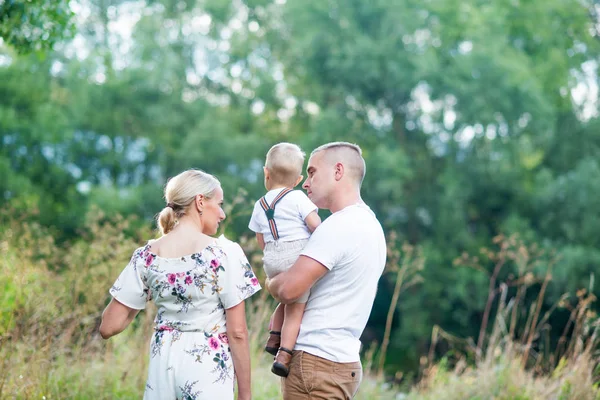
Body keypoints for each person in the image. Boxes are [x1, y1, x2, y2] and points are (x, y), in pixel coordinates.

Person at [99, 169, 261, 400]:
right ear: (200, 201)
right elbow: (237, 332)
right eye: (220, 203)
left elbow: (109, 327)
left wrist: (153, 290)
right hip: (206, 367)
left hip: (163, 364)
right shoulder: (224, 253)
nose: (223, 214)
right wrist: (245, 395)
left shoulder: (146, 256)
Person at [267, 142, 386, 399]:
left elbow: (289, 290)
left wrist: (272, 281)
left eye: (312, 172)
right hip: (342, 362)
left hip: (315, 362)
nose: (305, 183)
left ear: (338, 171)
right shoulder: (372, 226)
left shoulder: (338, 226)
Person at [248, 143, 321, 377]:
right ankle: (284, 353)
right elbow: (314, 226)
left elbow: (261, 239)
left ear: (266, 173)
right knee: (296, 309)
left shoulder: (259, 204)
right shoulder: (298, 198)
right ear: (299, 179)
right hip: (297, 254)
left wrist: (272, 254)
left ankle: (273, 336)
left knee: (285, 298)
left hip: (271, 257)